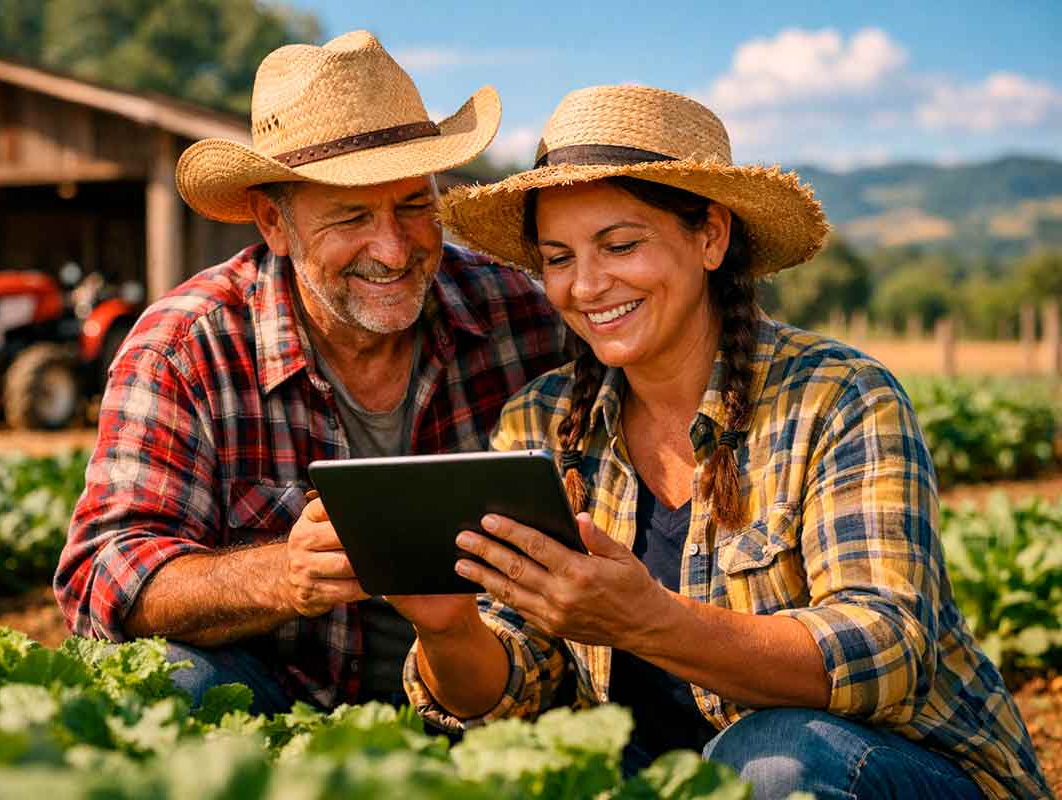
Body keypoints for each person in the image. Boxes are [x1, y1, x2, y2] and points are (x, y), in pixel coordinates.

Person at [393, 85, 1050, 799]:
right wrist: (449, 631)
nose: (586, 285)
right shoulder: (542, 422)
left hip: (895, 771)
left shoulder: (839, 397)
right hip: (674, 781)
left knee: (769, 760)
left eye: (620, 245)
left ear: (710, 236)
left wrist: (650, 622)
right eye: (558, 258)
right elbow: (511, 691)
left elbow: (884, 651)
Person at [53, 31, 568, 716]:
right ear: (274, 222)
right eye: (352, 216)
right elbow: (101, 576)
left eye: (415, 206)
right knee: (175, 683)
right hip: (292, 711)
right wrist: (282, 575)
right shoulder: (183, 350)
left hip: (501, 699)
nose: (393, 249)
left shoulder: (521, 314)